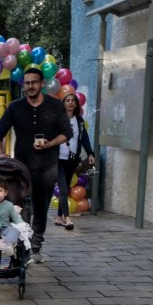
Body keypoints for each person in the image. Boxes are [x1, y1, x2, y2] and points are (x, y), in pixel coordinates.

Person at [0, 68, 72, 263]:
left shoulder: (54, 105)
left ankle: (36, 245)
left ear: (41, 84)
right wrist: (0, 157)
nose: (30, 86)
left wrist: (50, 144)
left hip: (47, 167)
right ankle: (22, 244)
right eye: (26, 83)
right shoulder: (15, 107)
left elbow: (67, 132)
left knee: (41, 207)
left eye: (34, 82)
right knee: (21, 207)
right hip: (21, 168)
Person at [55, 92, 95, 230]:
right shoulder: (58, 119)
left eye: (73, 100)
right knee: (64, 188)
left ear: (76, 104)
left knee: (66, 187)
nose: (70, 102)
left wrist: (90, 153)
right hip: (58, 159)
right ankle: (68, 219)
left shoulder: (79, 121)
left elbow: (84, 139)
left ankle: (59, 217)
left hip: (72, 160)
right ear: (63, 103)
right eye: (67, 100)